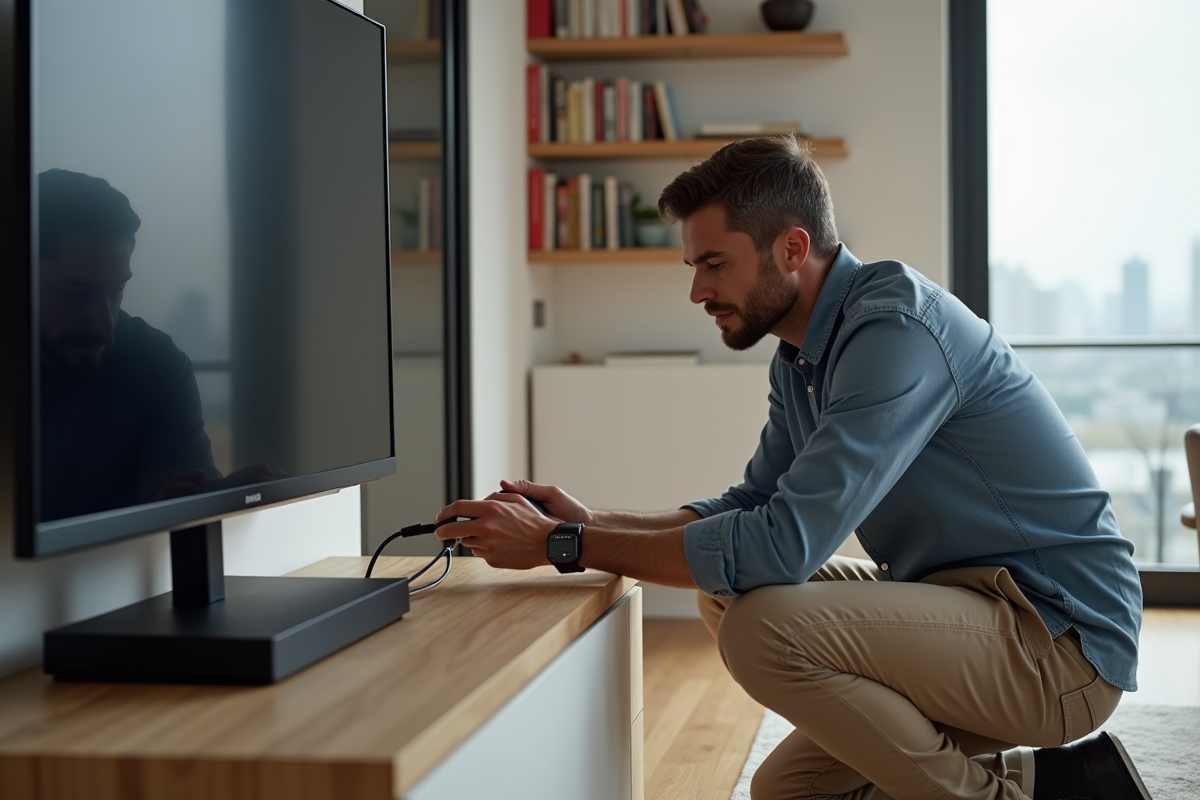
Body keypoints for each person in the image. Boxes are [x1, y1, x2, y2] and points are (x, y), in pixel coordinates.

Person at [435, 135, 1150, 800]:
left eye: (715, 264)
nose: (697, 292)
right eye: (694, 267)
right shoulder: (801, 355)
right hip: (967, 606)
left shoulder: (893, 330)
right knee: (787, 789)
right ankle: (1063, 780)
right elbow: (751, 503)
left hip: (1057, 641)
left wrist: (566, 548)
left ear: (791, 247)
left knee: (758, 622)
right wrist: (591, 520)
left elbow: (783, 546)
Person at [37, 168, 275, 521]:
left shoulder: (153, 363)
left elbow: (180, 498)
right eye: (77, 293)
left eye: (116, 289)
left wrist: (208, 500)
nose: (104, 322)